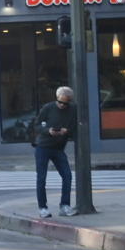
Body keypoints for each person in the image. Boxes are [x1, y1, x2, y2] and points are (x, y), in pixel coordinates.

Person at [33, 85, 78, 218]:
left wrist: (67, 131)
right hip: (43, 147)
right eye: (60, 102)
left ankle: (65, 205)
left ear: (69, 101)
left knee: (67, 175)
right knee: (41, 178)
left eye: (65, 103)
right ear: (57, 98)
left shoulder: (73, 109)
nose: (62, 105)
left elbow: (74, 126)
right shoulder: (48, 108)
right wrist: (48, 131)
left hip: (58, 148)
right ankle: (42, 207)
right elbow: (36, 125)